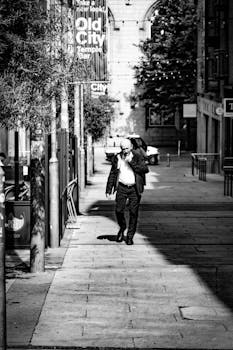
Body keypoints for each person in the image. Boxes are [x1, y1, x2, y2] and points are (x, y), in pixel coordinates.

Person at [106, 138, 149, 245]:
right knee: (119, 210)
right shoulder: (117, 157)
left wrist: (131, 161)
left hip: (134, 188)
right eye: (123, 148)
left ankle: (130, 236)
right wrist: (108, 189)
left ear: (131, 147)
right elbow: (112, 174)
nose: (125, 150)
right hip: (121, 187)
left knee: (133, 213)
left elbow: (144, 169)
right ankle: (122, 227)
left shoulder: (137, 156)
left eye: (127, 148)